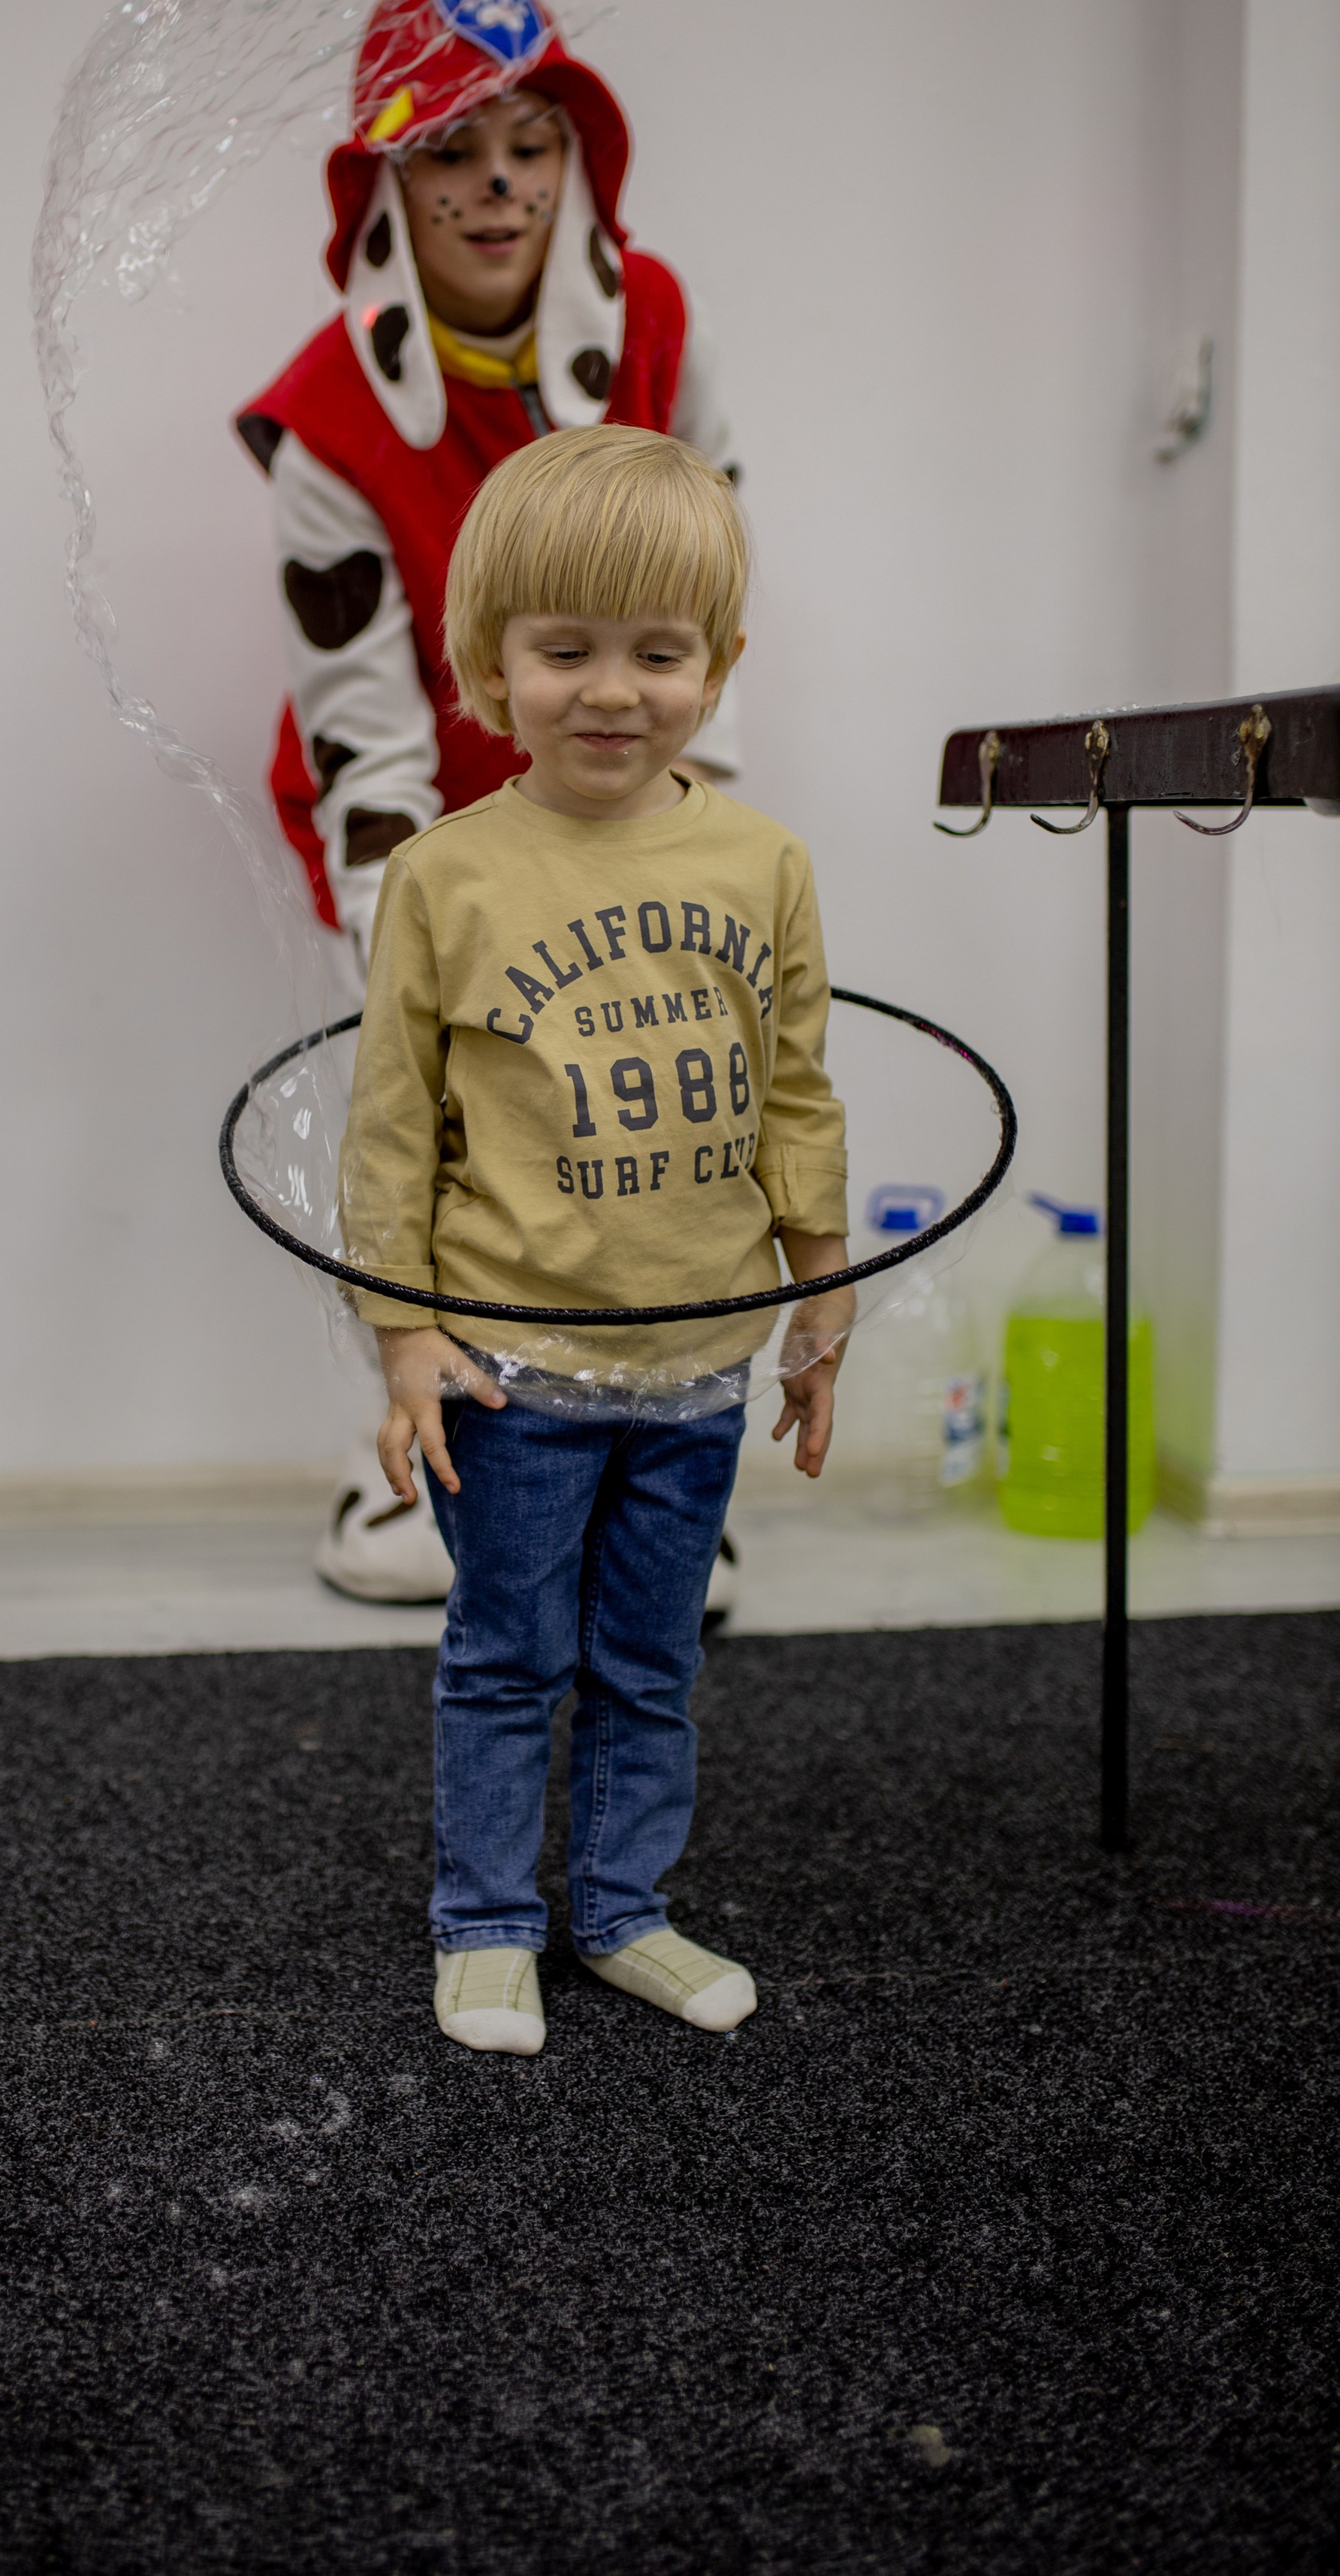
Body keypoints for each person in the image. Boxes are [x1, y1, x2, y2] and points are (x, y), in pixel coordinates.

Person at [235, 0, 743, 1606]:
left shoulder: (656, 325)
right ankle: (414, 1467)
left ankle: (652, 1464)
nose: (497, 185)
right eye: (450, 151)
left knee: (632, 1126)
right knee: (429, 1142)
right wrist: (425, 948)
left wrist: (686, 854)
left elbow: (706, 600)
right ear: (390, 180)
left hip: (623, 806)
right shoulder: (325, 417)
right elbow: (364, 728)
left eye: (526, 141)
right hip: (416, 823)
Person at [338, 427, 852, 2056]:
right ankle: (485, 1923)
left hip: (696, 1360)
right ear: (486, 664)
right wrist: (404, 1337)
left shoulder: (761, 863)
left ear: (720, 667)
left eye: (658, 651)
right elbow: (390, 1129)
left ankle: (620, 1909)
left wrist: (819, 1301)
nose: (611, 691)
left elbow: (793, 1086)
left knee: (648, 1660)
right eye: (563, 652)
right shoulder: (443, 876)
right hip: (515, 1365)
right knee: (505, 1658)